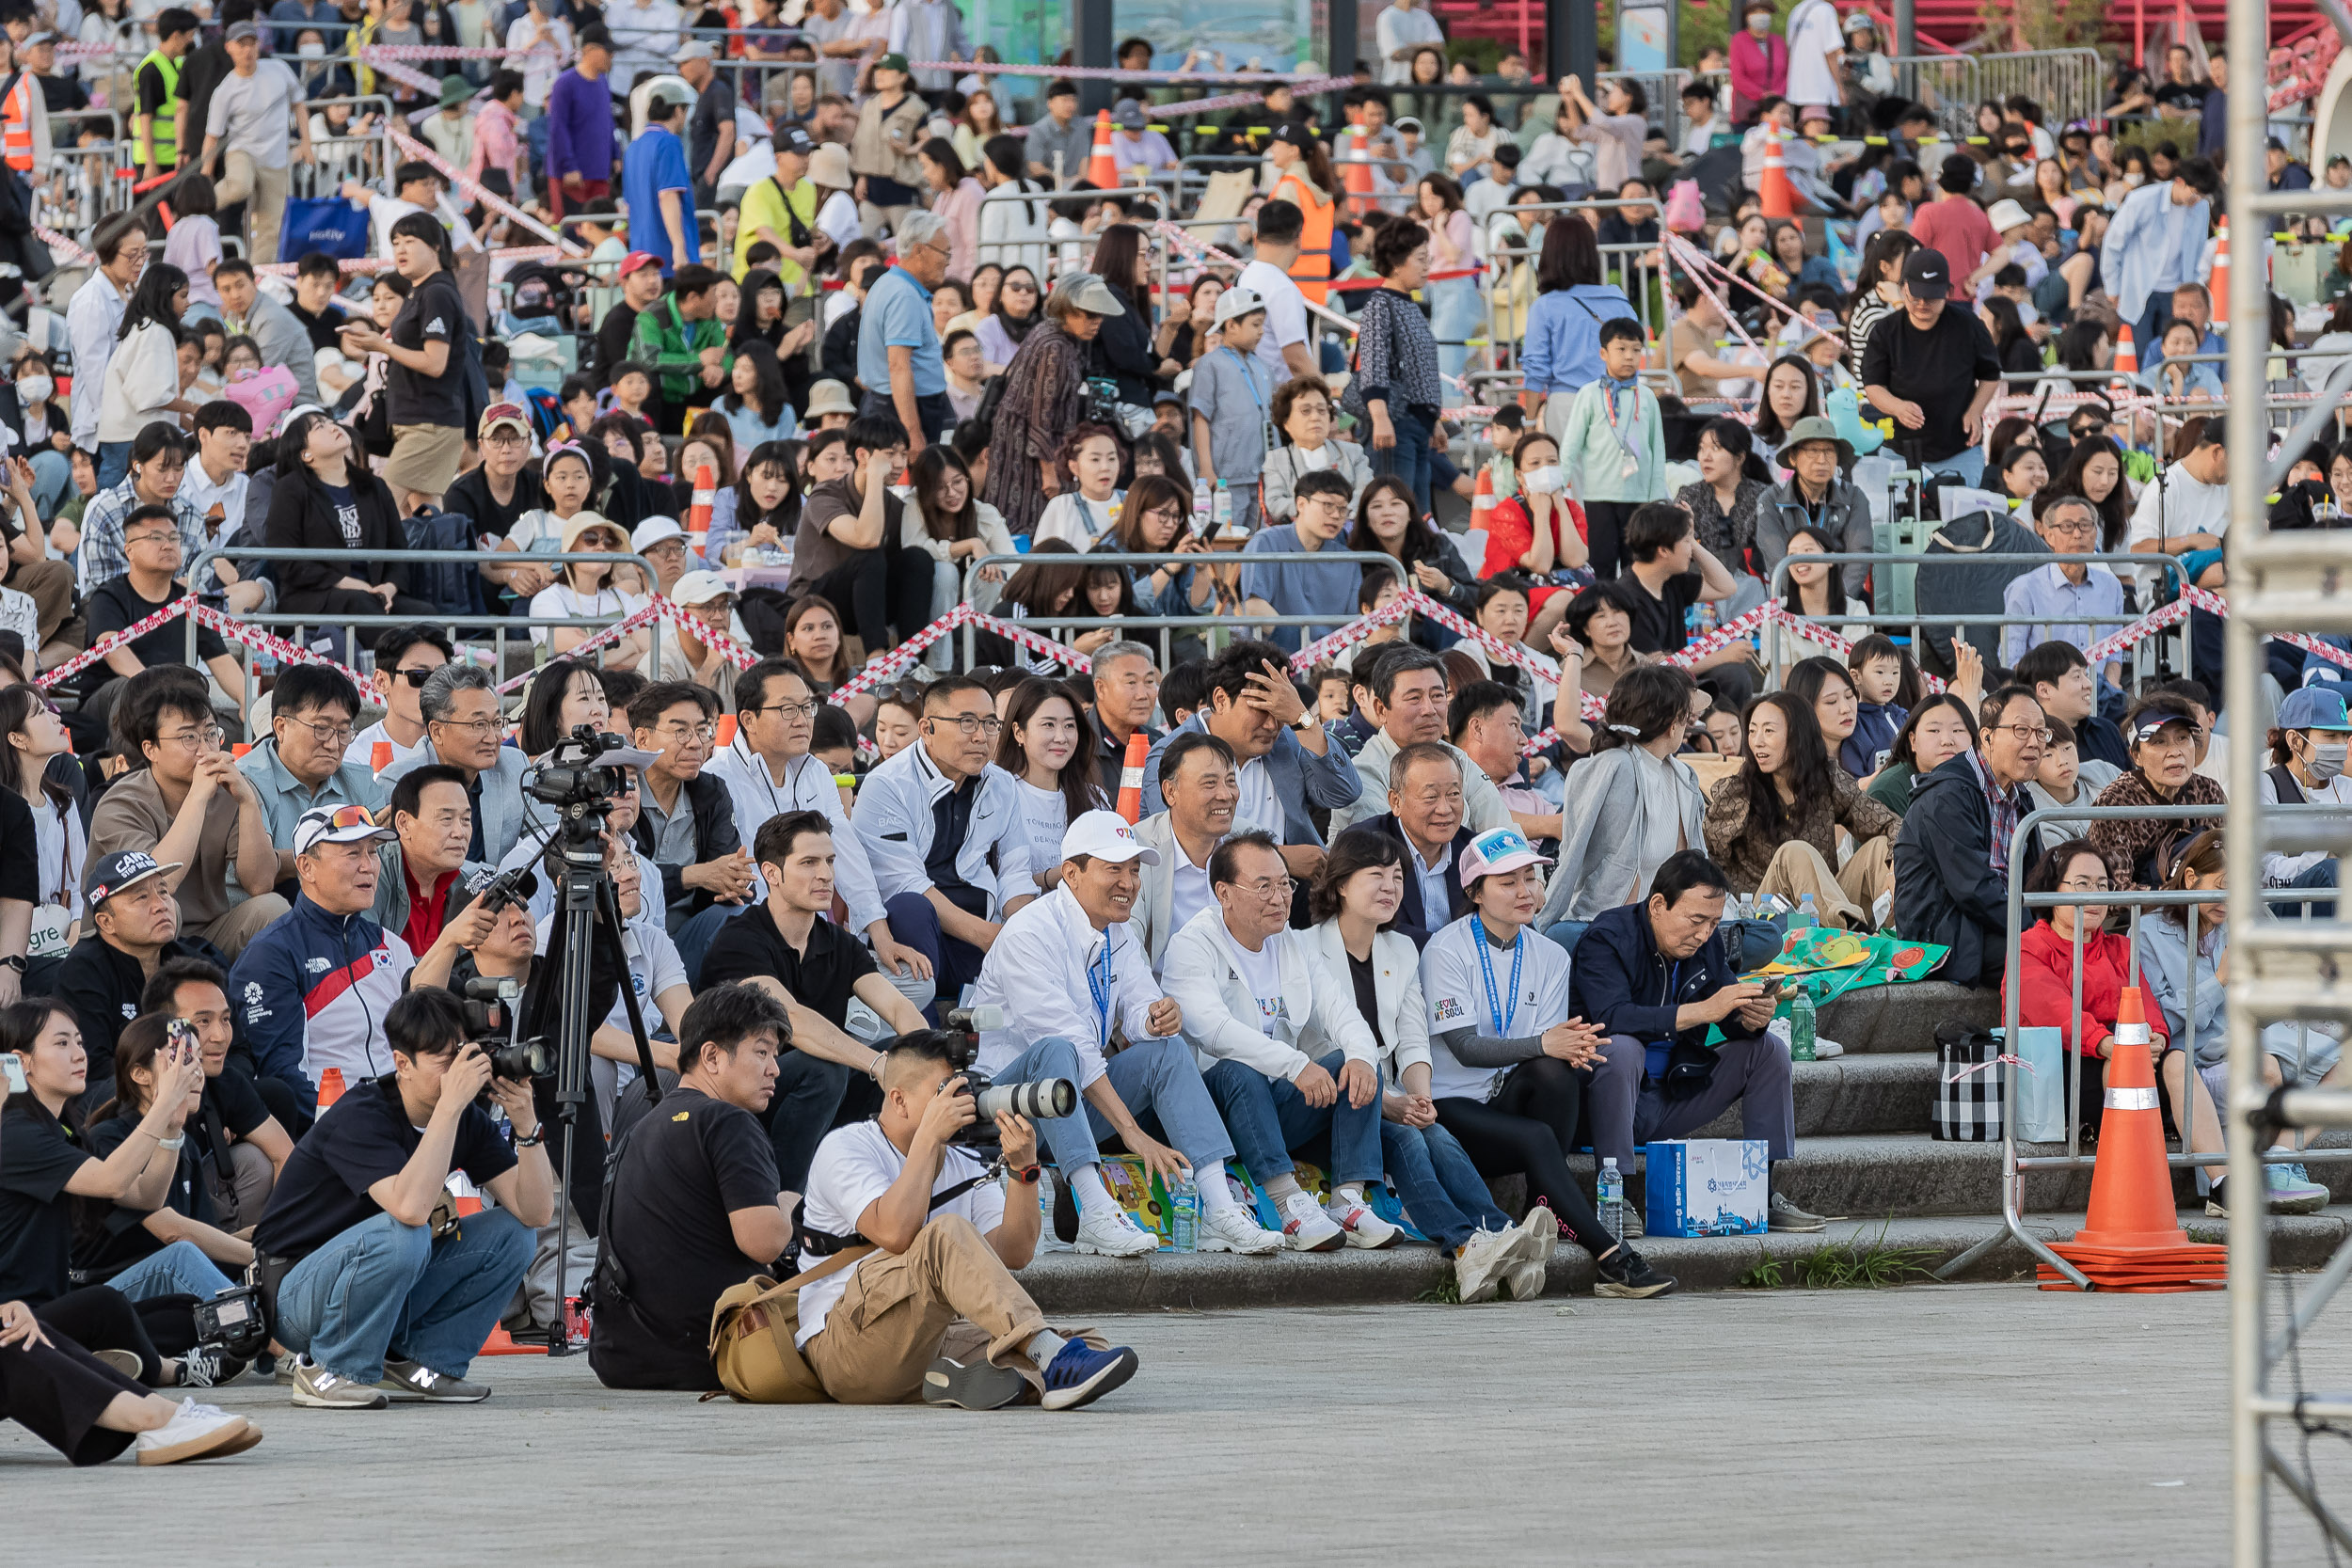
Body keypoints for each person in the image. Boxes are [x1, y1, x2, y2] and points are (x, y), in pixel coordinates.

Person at [965, 808, 1282, 1259]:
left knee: (1167, 1048)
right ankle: (1095, 1210)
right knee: (1058, 1051)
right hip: (1004, 1111)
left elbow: (1137, 1006)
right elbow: (1072, 1044)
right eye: (1113, 869)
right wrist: (1131, 1132)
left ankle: (1218, 1208)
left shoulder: (1117, 932)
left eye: (1134, 870)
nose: (1129, 883)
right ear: (1071, 874)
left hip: (1067, 1106)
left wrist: (1155, 1017)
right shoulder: (1028, 933)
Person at [792, 1023, 1144, 1409]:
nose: (962, 1104)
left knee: (1088, 1342)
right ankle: (1043, 1364)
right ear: (899, 1100)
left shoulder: (964, 1160)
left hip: (926, 1338)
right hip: (847, 1346)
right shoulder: (847, 1147)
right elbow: (894, 1232)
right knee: (945, 1234)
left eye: (966, 1090)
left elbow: (1013, 1253)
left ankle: (950, 1380)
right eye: (946, 1093)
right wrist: (928, 1139)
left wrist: (1022, 1170)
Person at [251, 986, 548, 1409]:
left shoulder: (465, 1118)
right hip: (295, 1295)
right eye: (445, 1060)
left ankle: (425, 1362)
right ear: (402, 1064)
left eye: (464, 1054)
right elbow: (410, 1208)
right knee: (406, 1232)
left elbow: (534, 1212)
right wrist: (450, 1106)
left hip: (379, 1285)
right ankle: (331, 1370)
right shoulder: (362, 1115)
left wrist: (527, 1126)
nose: (461, 1071)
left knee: (513, 1235)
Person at [1413, 826, 1678, 1294]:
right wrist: (1544, 1044)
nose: (1526, 892)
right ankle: (1612, 1255)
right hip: (1453, 1104)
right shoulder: (1445, 949)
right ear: (1475, 892)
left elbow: (1550, 1049)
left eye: (1531, 879)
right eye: (1508, 882)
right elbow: (1464, 1048)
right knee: (1540, 1112)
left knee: (1560, 1072)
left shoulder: (1552, 955)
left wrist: (1572, 1047)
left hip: (1511, 1097)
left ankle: (1547, 1200)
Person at [1162, 830, 1397, 1250]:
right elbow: (1215, 1032)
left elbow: (1341, 1010)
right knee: (1238, 1070)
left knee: (1354, 1060)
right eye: (1263, 886)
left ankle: (1349, 1202)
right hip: (1217, 1110)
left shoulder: (1292, 941)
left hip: (1278, 1105)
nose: (1279, 897)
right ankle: (1288, 1205)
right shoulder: (1192, 945)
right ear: (1224, 893)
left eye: (1285, 884)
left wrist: (1362, 1058)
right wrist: (1295, 1065)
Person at [1573, 849, 1823, 1232]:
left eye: (1714, 922)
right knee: (1621, 1048)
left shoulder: (1705, 945)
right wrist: (1705, 1010)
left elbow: (1728, 1014)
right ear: (1658, 905)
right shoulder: (1606, 939)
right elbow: (1612, 1017)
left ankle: (1763, 1191)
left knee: (1769, 1050)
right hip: (1605, 1101)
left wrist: (1752, 1018)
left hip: (1674, 1090)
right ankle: (1615, 1194)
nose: (1705, 933)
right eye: (1696, 920)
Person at [2006, 836, 2241, 1207]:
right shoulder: (2029, 948)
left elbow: (2147, 1004)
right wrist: (2108, 1043)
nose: (2096, 895)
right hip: (2067, 1067)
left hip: (2129, 1058)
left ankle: (2223, 1184)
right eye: (2082, 884)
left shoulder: (2118, 948)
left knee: (2178, 1057)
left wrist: (2158, 1037)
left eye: (2103, 885)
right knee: (2120, 1062)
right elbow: (2055, 1011)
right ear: (2054, 889)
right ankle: (2131, 1185)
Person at [586, 983, 792, 1391]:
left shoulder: (637, 1130)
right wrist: (791, 1209)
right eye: (762, 1052)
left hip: (620, 1359)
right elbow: (764, 1243)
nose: (775, 1069)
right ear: (712, 1056)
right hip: (712, 1356)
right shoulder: (729, 1123)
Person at [854, 675, 1039, 1015]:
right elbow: (903, 882)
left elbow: (1015, 869)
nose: (981, 736)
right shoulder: (887, 786)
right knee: (910, 906)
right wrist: (989, 936)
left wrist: (1023, 931)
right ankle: (916, 1037)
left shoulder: (1001, 784)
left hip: (978, 929)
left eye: (990, 723)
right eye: (966, 722)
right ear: (927, 729)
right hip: (912, 935)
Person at [226, 803, 420, 1109]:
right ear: (306, 867)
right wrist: (357, 1126)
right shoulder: (271, 954)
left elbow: (422, 1052)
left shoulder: (393, 947)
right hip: (328, 1134)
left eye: (373, 852)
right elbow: (282, 1078)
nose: (369, 866)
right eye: (353, 854)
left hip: (404, 1119)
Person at [90, 674, 284, 962]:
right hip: (129, 940)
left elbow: (259, 884)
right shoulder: (121, 804)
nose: (205, 750)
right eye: (188, 738)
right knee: (168, 908)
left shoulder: (229, 791)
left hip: (209, 932)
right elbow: (160, 884)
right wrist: (197, 798)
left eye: (210, 734)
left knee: (272, 909)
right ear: (150, 749)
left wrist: (247, 802)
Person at [1141, 639, 1362, 873]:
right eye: (1260, 710)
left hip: (1295, 892)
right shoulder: (1171, 753)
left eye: (1280, 711)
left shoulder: (1287, 738)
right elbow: (1177, 844)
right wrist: (1277, 857)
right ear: (1221, 700)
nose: (1271, 725)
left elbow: (1345, 793)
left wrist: (1303, 720)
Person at [1892, 686, 2050, 988]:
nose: (2034, 742)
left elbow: (2035, 877)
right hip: (1944, 936)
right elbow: (1973, 889)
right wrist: (2038, 932)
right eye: (2021, 730)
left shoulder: (2020, 795)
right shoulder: (1948, 794)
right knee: (2044, 959)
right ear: (1987, 736)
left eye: (2041, 733)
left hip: (1994, 925)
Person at [1705, 691, 1898, 931]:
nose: (1757, 741)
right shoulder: (1738, 792)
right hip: (1764, 916)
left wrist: (1892, 870)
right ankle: (1849, 936)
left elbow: (1890, 824)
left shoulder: (1826, 779)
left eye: (1768, 730)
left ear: (1797, 735)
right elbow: (1707, 855)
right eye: (1753, 731)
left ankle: (1897, 936)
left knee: (1881, 848)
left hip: (1820, 907)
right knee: (1794, 852)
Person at [333, 214, 469, 515]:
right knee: (424, 512)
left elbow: (435, 363)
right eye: (395, 243)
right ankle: (442, 563)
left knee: (382, 510)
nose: (401, 250)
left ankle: (365, 564)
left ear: (435, 246)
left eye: (410, 241)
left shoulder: (436, 293)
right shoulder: (420, 290)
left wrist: (381, 345)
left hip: (429, 423)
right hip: (416, 421)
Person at [791, 412, 936, 660]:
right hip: (815, 601)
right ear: (862, 456)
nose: (900, 464)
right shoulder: (825, 495)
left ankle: (912, 660)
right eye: (890, 455)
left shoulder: (893, 505)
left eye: (903, 454)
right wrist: (874, 478)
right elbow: (865, 538)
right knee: (869, 555)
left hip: (866, 601)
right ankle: (876, 658)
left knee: (917, 558)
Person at [262, 410, 429, 625]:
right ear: (306, 454)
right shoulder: (291, 489)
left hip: (373, 593)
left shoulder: (374, 486)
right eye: (319, 427)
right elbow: (287, 560)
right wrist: (347, 583)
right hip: (315, 597)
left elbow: (398, 549)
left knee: (425, 615)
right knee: (361, 605)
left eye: (331, 422)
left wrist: (389, 587)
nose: (333, 427)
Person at [1328, 645, 1511, 840]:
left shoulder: (1458, 759)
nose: (1429, 710)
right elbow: (1391, 854)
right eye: (1414, 698)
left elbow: (1503, 832)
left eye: (1438, 696)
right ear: (1381, 709)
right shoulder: (1363, 774)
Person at [981, 272, 1116, 535]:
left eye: (1100, 315)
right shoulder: (1054, 347)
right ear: (1068, 310)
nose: (1097, 321)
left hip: (1031, 446)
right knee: (1031, 527)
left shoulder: (1052, 333)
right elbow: (1040, 414)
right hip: (1029, 455)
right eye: (1090, 314)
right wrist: (1049, 472)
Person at [1861, 247, 2003, 487]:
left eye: (1932, 297)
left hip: (1959, 448)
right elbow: (1873, 385)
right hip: (1900, 449)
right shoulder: (1886, 331)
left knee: (1962, 518)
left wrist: (1975, 411)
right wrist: (1898, 407)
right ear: (1903, 287)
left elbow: (1990, 375)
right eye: (1916, 297)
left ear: (1948, 292)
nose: (1923, 304)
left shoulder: (1968, 325)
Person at [378, 664, 546, 865]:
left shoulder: (514, 765)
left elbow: (546, 841)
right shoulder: (399, 781)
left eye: (496, 723)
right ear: (437, 731)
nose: (492, 738)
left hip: (499, 894)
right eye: (479, 725)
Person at [234, 662, 382, 882]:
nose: (333, 744)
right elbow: (258, 879)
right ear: (281, 727)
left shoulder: (361, 784)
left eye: (343, 731)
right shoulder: (247, 780)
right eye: (321, 729)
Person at [1344, 218, 1447, 515]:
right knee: (1395, 511)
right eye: (1420, 259)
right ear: (1397, 262)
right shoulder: (1381, 302)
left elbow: (1420, 370)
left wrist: (1434, 420)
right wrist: (1380, 417)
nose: (1427, 266)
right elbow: (1374, 364)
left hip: (1415, 424)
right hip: (1395, 423)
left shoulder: (1407, 303)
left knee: (1417, 515)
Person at [1554, 318, 1664, 581]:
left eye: (1636, 350)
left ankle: (1636, 619)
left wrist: (1657, 498)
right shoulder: (1589, 394)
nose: (1629, 357)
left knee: (1637, 567)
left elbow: (1657, 450)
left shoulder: (1647, 397)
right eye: (1621, 349)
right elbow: (1571, 445)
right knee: (1601, 564)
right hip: (1598, 496)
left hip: (1639, 499)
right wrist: (1556, 485)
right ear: (1604, 353)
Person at [194, 20, 310, 267]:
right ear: (229, 48)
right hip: (242, 151)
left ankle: (259, 277)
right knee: (240, 186)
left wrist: (307, 143)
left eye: (252, 43)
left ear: (258, 46)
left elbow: (299, 104)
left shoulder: (278, 69)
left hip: (277, 157)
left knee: (271, 225)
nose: (247, 50)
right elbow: (212, 136)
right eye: (241, 44)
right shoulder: (226, 90)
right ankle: (198, 205)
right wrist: (205, 175)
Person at [2089, 695, 2229, 890]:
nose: (2175, 751)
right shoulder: (2116, 803)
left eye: (2182, 738)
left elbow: (2234, 859)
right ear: (2136, 755)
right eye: (2159, 742)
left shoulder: (2208, 790)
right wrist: (2176, 897)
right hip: (2140, 915)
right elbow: (2113, 892)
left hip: (2209, 906)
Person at [1520, 215, 1637, 427]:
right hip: (1617, 402)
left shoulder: (1545, 306)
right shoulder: (1619, 302)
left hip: (1567, 405)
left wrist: (1529, 423)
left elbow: (1536, 371)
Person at [2102, 153, 2219, 359]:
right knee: (2138, 355)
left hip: (2176, 291)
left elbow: (2198, 250)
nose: (2197, 199)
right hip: (2139, 289)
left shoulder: (2201, 208)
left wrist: (2194, 286)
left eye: (2203, 196)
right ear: (2180, 182)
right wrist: (2113, 286)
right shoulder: (2142, 199)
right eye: (2195, 193)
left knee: (2173, 356)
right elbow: (2113, 243)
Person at [1237, 470, 1361, 656]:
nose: (1336, 515)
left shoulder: (1348, 560)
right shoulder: (1266, 542)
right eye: (1328, 505)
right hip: (1272, 658)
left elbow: (1354, 623)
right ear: (1301, 504)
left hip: (1333, 664)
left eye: (1343, 509)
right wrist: (1309, 653)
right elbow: (1255, 607)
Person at [2258, 685, 2352, 916]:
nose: (2341, 744)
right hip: (2282, 911)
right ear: (2295, 741)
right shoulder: (2266, 786)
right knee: (2332, 870)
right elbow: (2267, 873)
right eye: (2330, 736)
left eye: (2344, 736)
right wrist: (2325, 856)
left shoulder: (2348, 787)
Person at [1188, 289, 1276, 530]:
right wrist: (1206, 467)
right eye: (1255, 324)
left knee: (1258, 539)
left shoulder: (1263, 367)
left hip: (1261, 474)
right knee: (1227, 539)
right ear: (1231, 325)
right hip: (1226, 477)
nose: (1261, 331)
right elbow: (1201, 417)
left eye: (1262, 325)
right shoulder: (1210, 364)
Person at [69, 216, 147, 483]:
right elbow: (96, 377)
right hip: (109, 427)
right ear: (108, 252)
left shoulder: (126, 293)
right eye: (132, 255)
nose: (140, 261)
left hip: (127, 421)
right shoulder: (92, 300)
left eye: (144, 253)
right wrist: (122, 422)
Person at [1757, 417, 1872, 596]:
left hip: (1843, 598)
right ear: (1793, 457)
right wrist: (1805, 604)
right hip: (1792, 600)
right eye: (1812, 451)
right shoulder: (1771, 500)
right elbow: (1776, 559)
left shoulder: (1854, 497)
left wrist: (1841, 602)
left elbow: (1859, 555)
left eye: (1829, 451)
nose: (1822, 459)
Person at [1237, 198, 1317, 388]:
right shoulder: (1282, 288)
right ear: (1298, 240)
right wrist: (1326, 401)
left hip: (1257, 388)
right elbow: (1296, 360)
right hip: (1283, 396)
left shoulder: (1246, 275)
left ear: (1256, 238)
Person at [353, 624, 451, 772]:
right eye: (419, 676)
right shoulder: (357, 758)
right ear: (381, 681)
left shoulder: (461, 752)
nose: (434, 688)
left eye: (442, 677)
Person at [546, 26, 616, 219]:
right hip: (572, 176)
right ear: (589, 50)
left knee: (599, 231)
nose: (612, 56)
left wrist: (615, 154)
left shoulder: (602, 82)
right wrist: (569, 166)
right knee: (573, 235)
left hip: (599, 171)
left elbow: (608, 122)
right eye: (607, 51)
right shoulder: (565, 83)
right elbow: (558, 128)